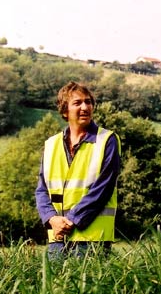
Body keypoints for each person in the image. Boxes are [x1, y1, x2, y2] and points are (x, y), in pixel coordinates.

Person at [35, 81, 121, 258]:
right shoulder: (51, 144)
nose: (85, 107)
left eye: (88, 102)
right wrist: (52, 219)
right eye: (78, 103)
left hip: (92, 238)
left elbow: (103, 188)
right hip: (57, 238)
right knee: (54, 286)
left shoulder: (108, 139)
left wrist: (72, 220)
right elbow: (42, 189)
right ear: (65, 110)